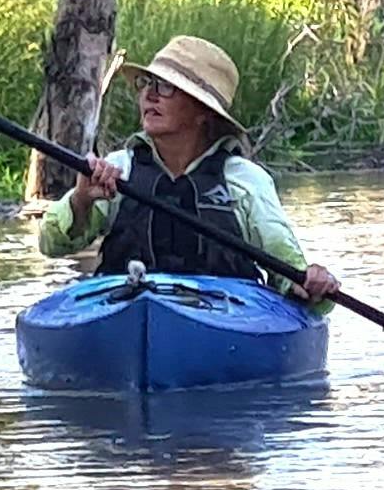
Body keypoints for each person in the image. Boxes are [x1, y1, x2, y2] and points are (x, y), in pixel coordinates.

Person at [33, 34, 338, 304]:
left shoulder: (246, 182)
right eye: (146, 84)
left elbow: (289, 272)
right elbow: (50, 244)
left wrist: (310, 283)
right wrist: (82, 200)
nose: (149, 95)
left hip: (224, 319)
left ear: (203, 112)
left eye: (166, 87)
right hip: (127, 308)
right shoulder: (116, 170)